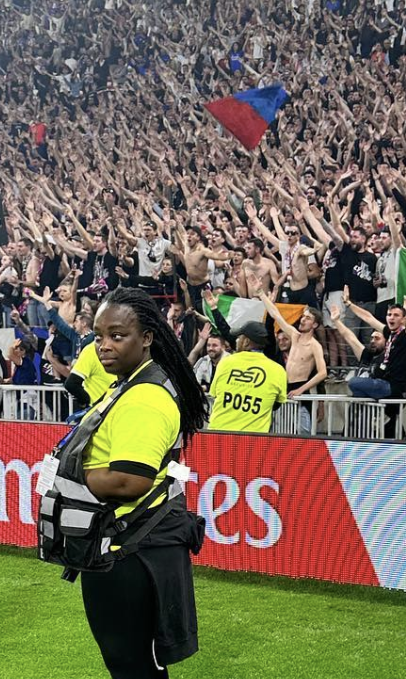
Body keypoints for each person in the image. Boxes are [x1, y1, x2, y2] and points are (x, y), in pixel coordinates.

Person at [80, 287, 209, 678]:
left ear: (147, 338)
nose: (104, 345)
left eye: (117, 336)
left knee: (132, 666)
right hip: (127, 546)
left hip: (131, 550)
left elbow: (128, 481)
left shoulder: (145, 398)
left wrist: (77, 476)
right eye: (99, 336)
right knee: (130, 664)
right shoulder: (127, 386)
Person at [208, 321, 288, 433]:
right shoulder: (278, 370)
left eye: (239, 337)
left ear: (246, 341)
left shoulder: (226, 362)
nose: (237, 340)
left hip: (219, 434)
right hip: (253, 439)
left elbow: (215, 394)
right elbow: (276, 404)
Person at [64, 336, 117, 407]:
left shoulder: (123, 348)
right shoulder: (91, 351)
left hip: (121, 406)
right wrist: (87, 402)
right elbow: (71, 384)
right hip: (101, 410)